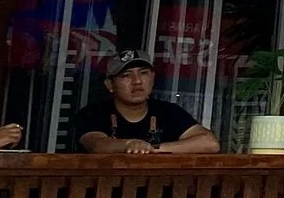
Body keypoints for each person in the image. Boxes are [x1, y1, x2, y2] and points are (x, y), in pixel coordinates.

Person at [74, 54, 218, 155]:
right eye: (126, 75)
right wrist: (128, 145)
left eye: (143, 73)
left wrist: (154, 149)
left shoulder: (168, 112)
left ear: (153, 78)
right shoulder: (93, 114)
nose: (137, 81)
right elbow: (98, 144)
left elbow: (210, 143)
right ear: (110, 84)